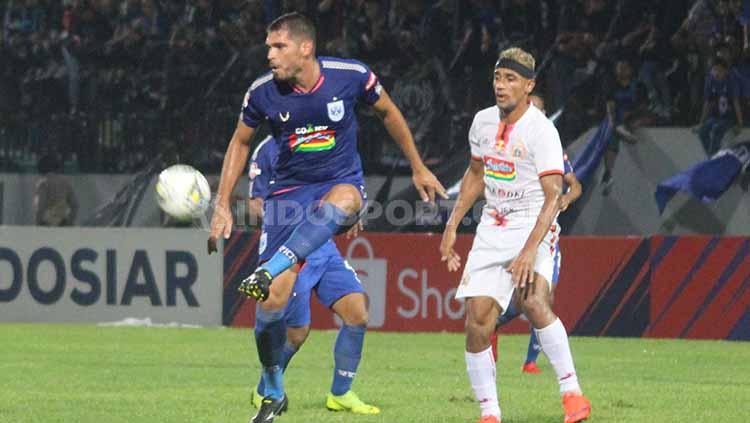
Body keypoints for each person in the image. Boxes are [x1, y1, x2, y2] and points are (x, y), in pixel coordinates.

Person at [207, 12, 446, 423]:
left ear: (305, 48)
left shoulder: (349, 76)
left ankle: (335, 383)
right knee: (272, 309)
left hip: (339, 182)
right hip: (288, 198)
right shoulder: (262, 93)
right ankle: (273, 389)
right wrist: (223, 204)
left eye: (278, 46)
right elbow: (240, 142)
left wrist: (417, 165)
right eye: (268, 47)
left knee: (349, 199)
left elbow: (388, 112)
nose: (269, 55)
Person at [439, 47, 591, 423]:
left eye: (510, 79)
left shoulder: (542, 131)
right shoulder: (482, 122)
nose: (501, 86)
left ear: (529, 85)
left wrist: (527, 251)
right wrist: (452, 225)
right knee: (477, 319)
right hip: (494, 224)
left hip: (533, 221)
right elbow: (475, 175)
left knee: (533, 302)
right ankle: (490, 414)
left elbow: (554, 195)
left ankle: (572, 395)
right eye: (497, 78)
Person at [245, 135, 377, 414]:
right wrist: (292, 215)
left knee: (357, 313)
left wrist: (351, 215)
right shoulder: (269, 149)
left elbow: (348, 190)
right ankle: (265, 389)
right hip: (289, 248)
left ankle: (340, 394)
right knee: (296, 333)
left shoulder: (330, 139)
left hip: (323, 247)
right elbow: (255, 204)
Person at [490, 94, 582, 375]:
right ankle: (494, 325)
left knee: (543, 300)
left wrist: (565, 199)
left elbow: (574, 184)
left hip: (547, 238)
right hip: (517, 233)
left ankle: (531, 362)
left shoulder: (552, 147)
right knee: (527, 301)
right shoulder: (508, 145)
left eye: (540, 110)